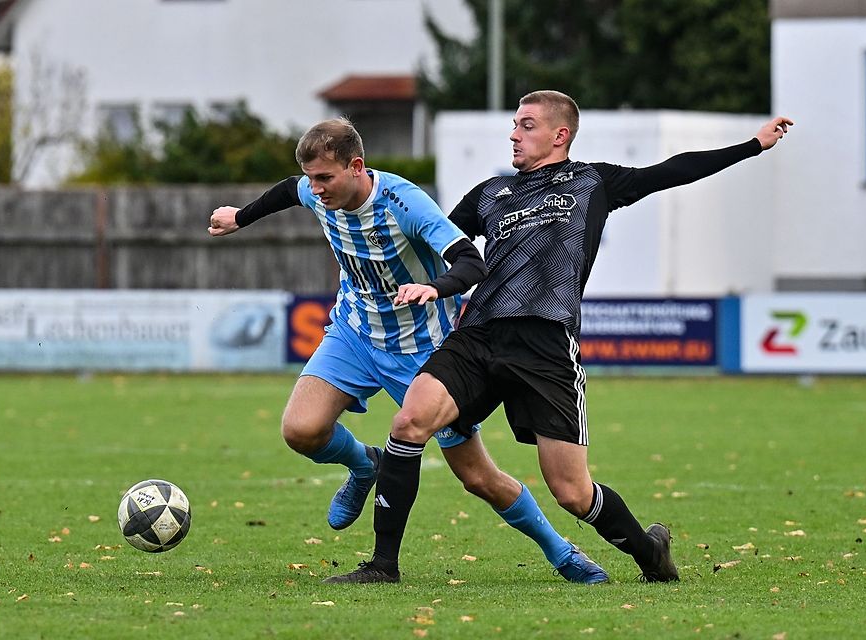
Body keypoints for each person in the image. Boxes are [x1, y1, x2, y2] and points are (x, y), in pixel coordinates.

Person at [328, 91, 794, 584]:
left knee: (572, 492)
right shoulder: (490, 193)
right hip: (479, 333)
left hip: (546, 344)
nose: (513, 133)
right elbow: (425, 239)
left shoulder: (595, 181)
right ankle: (383, 566)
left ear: (560, 134)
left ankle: (649, 551)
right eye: (514, 124)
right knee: (409, 422)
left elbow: (672, 170)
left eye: (526, 125)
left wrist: (751, 145)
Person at [208, 117, 608, 584]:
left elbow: (470, 261)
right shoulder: (317, 191)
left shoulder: (406, 203)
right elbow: (286, 190)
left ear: (356, 166)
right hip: (355, 333)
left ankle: (561, 551)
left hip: (422, 352)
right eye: (311, 178)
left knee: (478, 477)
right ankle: (365, 465)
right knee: (301, 430)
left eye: (324, 178)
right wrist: (241, 216)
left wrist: (433, 289)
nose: (315, 190)